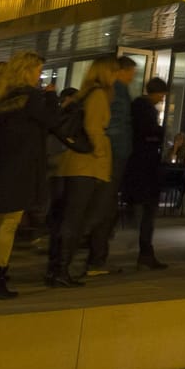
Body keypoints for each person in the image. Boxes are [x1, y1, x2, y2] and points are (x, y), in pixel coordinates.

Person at [0, 51, 58, 299]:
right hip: (21, 165)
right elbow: (51, 121)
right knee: (8, 224)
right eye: (38, 71)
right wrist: (51, 97)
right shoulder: (31, 98)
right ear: (28, 71)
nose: (40, 76)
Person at [51, 57, 118, 288]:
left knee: (69, 217)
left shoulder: (84, 93)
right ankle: (61, 269)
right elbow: (92, 126)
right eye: (114, 72)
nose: (116, 77)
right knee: (77, 218)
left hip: (73, 163)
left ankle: (56, 268)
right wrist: (100, 153)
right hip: (86, 165)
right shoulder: (98, 94)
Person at [83, 56, 136, 276]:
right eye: (130, 71)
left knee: (102, 206)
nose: (132, 76)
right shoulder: (114, 92)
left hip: (112, 154)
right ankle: (95, 257)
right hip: (113, 155)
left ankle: (94, 255)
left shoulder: (102, 92)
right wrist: (109, 151)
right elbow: (110, 124)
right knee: (103, 207)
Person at [122, 77, 169, 269]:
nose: (162, 99)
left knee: (145, 210)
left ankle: (145, 251)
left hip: (138, 164)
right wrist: (159, 133)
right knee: (148, 211)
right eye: (162, 95)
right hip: (146, 166)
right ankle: (146, 251)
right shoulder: (145, 109)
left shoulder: (136, 108)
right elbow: (150, 133)